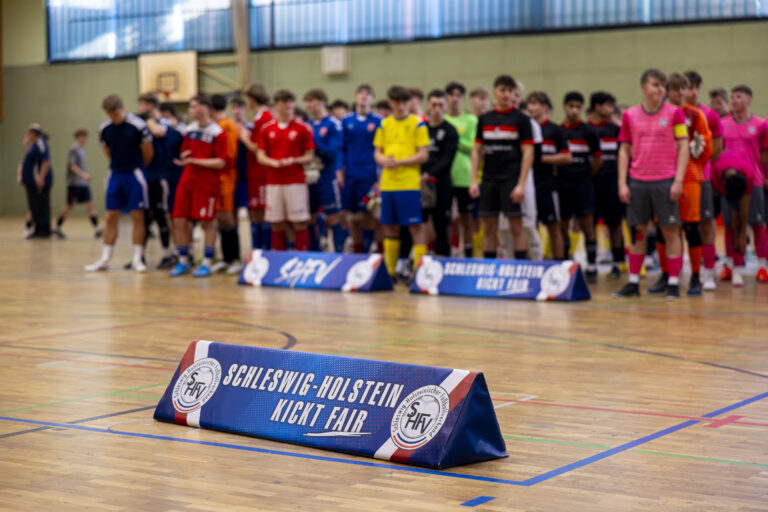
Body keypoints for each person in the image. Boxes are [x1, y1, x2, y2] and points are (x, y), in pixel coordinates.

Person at [613, 69, 689, 298]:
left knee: (671, 232)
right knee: (638, 232)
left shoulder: (675, 113)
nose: (661, 89)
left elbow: (683, 146)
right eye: (656, 84)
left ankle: (673, 283)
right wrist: (622, 183)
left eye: (663, 85)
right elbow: (624, 150)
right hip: (637, 182)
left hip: (665, 181)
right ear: (643, 87)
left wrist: (678, 180)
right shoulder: (630, 115)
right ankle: (633, 282)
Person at [651, 73, 712, 296]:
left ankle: (695, 277)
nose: (679, 93)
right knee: (663, 228)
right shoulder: (658, 115)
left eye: (682, 89)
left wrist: (691, 167)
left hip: (689, 179)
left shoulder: (695, 115)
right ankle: (666, 275)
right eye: (674, 89)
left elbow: (706, 148)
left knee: (691, 227)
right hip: (662, 178)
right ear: (667, 91)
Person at [469, 75, 534, 260]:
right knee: (489, 228)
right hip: (489, 180)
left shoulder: (521, 120)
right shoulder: (484, 119)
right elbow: (476, 150)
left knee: (516, 228)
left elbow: (528, 152)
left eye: (510, 91)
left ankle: (520, 267)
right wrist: (473, 181)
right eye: (502, 90)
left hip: (511, 180)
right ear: (494, 92)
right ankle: (489, 267)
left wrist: (521, 184)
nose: (506, 94)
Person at [86, 94, 153, 272]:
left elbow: (148, 152)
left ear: (122, 109)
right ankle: (105, 258)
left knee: (137, 216)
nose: (113, 117)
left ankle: (137, 259)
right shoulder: (104, 128)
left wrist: (137, 168)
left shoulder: (138, 125)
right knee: (110, 216)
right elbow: (107, 150)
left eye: (116, 113)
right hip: (115, 174)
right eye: (110, 114)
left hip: (135, 174)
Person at [373, 85, 430, 279]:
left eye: (404, 102)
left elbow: (423, 155)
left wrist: (400, 162)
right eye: (397, 102)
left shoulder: (418, 124)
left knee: (415, 227)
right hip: (388, 184)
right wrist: (384, 161)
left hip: (409, 184)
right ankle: (389, 271)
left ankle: (419, 270)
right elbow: (377, 152)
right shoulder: (384, 124)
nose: (401, 106)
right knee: (389, 226)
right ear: (391, 103)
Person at [169, 95, 227, 277]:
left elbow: (221, 162)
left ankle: (207, 262)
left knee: (207, 223)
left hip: (207, 183)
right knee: (179, 220)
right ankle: (183, 260)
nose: (190, 110)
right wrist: (184, 157)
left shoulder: (218, 132)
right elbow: (186, 152)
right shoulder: (190, 129)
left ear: (204, 108)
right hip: (187, 180)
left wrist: (196, 160)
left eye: (193, 107)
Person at [719, 85, 768, 285]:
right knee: (731, 225)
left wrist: (761, 174)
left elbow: (764, 153)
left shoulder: (760, 124)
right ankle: (733, 267)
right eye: (732, 97)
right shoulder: (723, 123)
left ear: (749, 100)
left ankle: (762, 267)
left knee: (758, 224)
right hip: (729, 182)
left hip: (753, 181)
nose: (734, 100)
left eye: (739, 97)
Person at [257, 89, 316, 251]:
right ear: (276, 105)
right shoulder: (266, 129)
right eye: (284, 102)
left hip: (295, 181)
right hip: (274, 182)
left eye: (290, 102)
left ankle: (302, 256)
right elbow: (260, 155)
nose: (288, 105)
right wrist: (272, 162)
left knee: (299, 221)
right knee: (276, 222)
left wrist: (293, 160)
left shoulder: (303, 128)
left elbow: (309, 156)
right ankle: (279, 257)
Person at [684, 70, 724, 291]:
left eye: (695, 87)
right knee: (680, 226)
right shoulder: (674, 112)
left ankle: (708, 272)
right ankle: (681, 273)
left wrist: (699, 166)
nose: (692, 92)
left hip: (702, 178)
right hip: (677, 179)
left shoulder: (709, 115)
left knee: (707, 223)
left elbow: (716, 149)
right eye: (687, 87)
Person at [559, 91, 603, 281]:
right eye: (571, 106)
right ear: (564, 107)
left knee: (588, 226)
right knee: (563, 226)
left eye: (578, 107)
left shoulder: (588, 131)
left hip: (583, 184)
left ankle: (592, 265)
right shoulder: (558, 131)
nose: (575, 110)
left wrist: (585, 174)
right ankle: (566, 263)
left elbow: (598, 159)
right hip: (562, 184)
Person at [526, 91, 572, 260]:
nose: (530, 107)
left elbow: (567, 157)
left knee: (554, 226)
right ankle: (533, 262)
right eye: (529, 103)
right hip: (528, 183)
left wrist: (540, 158)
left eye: (534, 103)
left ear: (544, 107)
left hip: (548, 183)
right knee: (529, 226)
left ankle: (558, 263)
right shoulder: (525, 128)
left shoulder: (555, 130)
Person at [341, 84, 382, 254]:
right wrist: (340, 172)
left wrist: (380, 177)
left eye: (368, 94)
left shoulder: (379, 121)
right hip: (351, 175)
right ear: (355, 97)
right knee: (352, 217)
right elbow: (342, 149)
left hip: (370, 175)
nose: (364, 96)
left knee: (371, 215)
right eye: (360, 93)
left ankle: (372, 248)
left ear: (372, 100)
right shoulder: (346, 121)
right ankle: (357, 253)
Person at [304, 88, 346, 252]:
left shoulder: (333, 124)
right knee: (310, 217)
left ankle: (339, 253)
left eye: (311, 101)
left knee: (333, 216)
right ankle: (314, 253)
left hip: (327, 177)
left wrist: (314, 141)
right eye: (306, 102)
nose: (308, 105)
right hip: (309, 177)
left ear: (322, 102)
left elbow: (334, 152)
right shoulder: (307, 125)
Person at [588, 92, 624, 278]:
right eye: (608, 106)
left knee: (614, 224)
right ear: (597, 107)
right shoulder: (586, 130)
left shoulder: (616, 130)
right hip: (591, 183)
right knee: (590, 225)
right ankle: (591, 264)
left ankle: (617, 263)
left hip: (612, 182)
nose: (612, 109)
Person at [137, 92, 173, 268]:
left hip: (159, 177)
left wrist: (148, 120)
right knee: (144, 218)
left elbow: (159, 132)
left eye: (141, 105)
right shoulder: (141, 123)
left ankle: (167, 254)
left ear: (150, 105)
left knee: (160, 215)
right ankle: (139, 257)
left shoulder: (163, 122)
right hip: (145, 176)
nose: (139, 109)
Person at [422, 89, 458, 257]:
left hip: (441, 182)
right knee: (420, 221)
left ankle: (443, 257)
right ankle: (420, 258)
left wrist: (428, 174)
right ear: (428, 106)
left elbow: (447, 159)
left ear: (445, 107)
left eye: (441, 105)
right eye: (434, 105)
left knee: (441, 221)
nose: (437, 109)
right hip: (421, 183)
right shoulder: (421, 128)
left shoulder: (450, 130)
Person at [445, 81, 479, 258]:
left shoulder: (471, 120)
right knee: (447, 218)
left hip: (464, 175)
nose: (455, 99)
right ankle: (450, 251)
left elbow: (473, 146)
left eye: (458, 95)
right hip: (446, 176)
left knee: (467, 218)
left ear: (463, 98)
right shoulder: (443, 120)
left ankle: (468, 252)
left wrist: (454, 139)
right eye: (451, 95)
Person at [210, 94, 242, 273]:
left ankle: (234, 259)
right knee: (220, 218)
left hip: (225, 176)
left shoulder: (227, 125)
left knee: (227, 217)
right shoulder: (215, 125)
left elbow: (229, 155)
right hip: (215, 176)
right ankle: (226, 258)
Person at [711, 152, 754, 286]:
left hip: (740, 181)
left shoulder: (749, 173)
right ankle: (716, 268)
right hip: (717, 188)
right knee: (728, 223)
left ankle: (737, 269)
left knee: (739, 225)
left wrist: (742, 235)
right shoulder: (716, 170)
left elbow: (744, 208)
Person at [240, 84, 273, 251]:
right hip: (254, 172)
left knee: (261, 212)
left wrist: (243, 136)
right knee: (255, 211)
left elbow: (258, 148)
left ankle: (263, 251)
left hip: (260, 172)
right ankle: (257, 250)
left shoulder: (264, 118)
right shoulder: (260, 117)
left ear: (252, 99)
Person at [54, 128, 102, 239]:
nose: (85, 139)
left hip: (83, 184)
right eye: (83, 137)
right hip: (74, 184)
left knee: (90, 204)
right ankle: (57, 227)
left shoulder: (82, 149)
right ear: (78, 137)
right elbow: (72, 166)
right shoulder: (73, 149)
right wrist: (84, 175)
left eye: (86, 137)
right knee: (70, 206)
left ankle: (97, 229)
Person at [158, 102, 186, 265]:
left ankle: (185, 251)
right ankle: (178, 250)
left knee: (180, 217)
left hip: (179, 177)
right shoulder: (163, 130)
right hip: (168, 177)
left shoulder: (181, 130)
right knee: (171, 216)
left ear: (167, 113)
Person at [20, 124, 53, 239]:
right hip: (32, 181)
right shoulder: (35, 145)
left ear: (33, 134)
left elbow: (45, 161)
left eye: (28, 133)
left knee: (41, 206)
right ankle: (38, 229)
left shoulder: (40, 143)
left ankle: (44, 230)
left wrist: (41, 177)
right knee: (34, 206)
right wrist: (25, 145)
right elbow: (31, 158)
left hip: (38, 182)